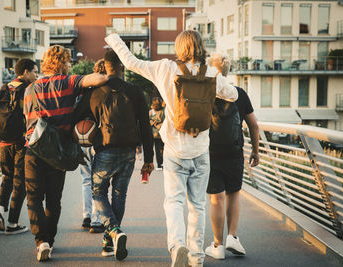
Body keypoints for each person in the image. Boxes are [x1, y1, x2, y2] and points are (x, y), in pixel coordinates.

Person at [105, 31, 238, 267]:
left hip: (174, 150)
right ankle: (196, 258)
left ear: (179, 47)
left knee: (174, 202)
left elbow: (131, 62)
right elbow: (233, 94)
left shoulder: (165, 68)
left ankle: (177, 245)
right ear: (200, 46)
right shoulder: (210, 72)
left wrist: (114, 39)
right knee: (197, 205)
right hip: (200, 150)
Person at [23, 45, 107, 262]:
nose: (70, 65)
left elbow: (27, 118)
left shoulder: (30, 89)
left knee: (33, 197)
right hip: (58, 152)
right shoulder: (69, 82)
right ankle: (49, 241)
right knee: (53, 199)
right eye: (68, 62)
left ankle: (40, 240)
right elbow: (99, 79)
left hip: (34, 149)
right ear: (62, 63)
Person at [90, 49, 154, 261]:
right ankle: (110, 242)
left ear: (106, 66)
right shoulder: (135, 91)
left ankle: (114, 232)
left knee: (98, 193)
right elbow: (145, 126)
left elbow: (79, 119)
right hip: (128, 152)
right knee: (119, 194)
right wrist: (148, 159)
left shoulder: (95, 91)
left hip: (104, 150)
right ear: (122, 66)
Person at [205, 53, 259, 260]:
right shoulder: (239, 93)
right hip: (234, 152)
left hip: (210, 153)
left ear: (211, 71)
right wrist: (255, 151)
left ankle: (217, 246)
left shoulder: (206, 94)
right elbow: (253, 125)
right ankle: (233, 237)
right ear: (227, 72)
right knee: (234, 193)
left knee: (216, 198)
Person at [0, 58, 38, 234]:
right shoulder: (28, 89)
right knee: (20, 182)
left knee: (6, 178)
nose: (36, 75)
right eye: (34, 71)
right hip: (21, 142)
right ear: (25, 72)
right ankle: (12, 224)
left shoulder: (4, 87)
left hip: (3, 141)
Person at [76, 59, 106, 233]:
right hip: (100, 140)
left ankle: (86, 216)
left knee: (86, 180)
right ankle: (96, 219)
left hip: (83, 137)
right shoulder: (107, 91)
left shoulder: (85, 91)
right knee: (99, 181)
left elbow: (76, 114)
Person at [149, 97, 165, 170]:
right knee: (160, 149)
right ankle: (160, 164)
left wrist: (152, 123)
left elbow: (147, 121)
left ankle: (150, 163)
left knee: (152, 149)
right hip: (161, 132)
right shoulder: (163, 111)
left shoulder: (151, 112)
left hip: (152, 133)